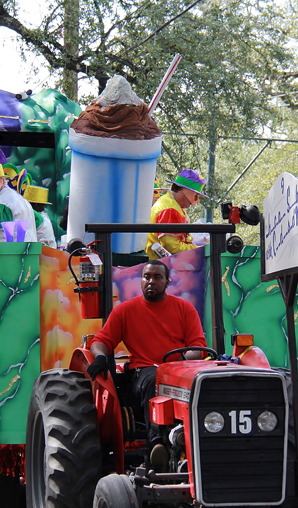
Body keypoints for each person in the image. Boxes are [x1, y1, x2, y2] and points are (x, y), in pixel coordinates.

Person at [87, 261, 205, 470]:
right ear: (141, 281)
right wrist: (100, 358)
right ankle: (156, 445)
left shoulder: (184, 308)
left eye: (157, 277)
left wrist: (185, 360)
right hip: (143, 374)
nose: (151, 281)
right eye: (147, 277)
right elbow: (101, 341)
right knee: (153, 378)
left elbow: (197, 345)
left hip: (178, 373)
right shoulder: (125, 311)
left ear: (167, 281)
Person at [146, 169, 210, 260]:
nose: (197, 201)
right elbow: (173, 247)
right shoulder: (170, 209)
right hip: (161, 266)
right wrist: (198, 249)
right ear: (185, 191)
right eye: (196, 195)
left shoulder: (170, 203)